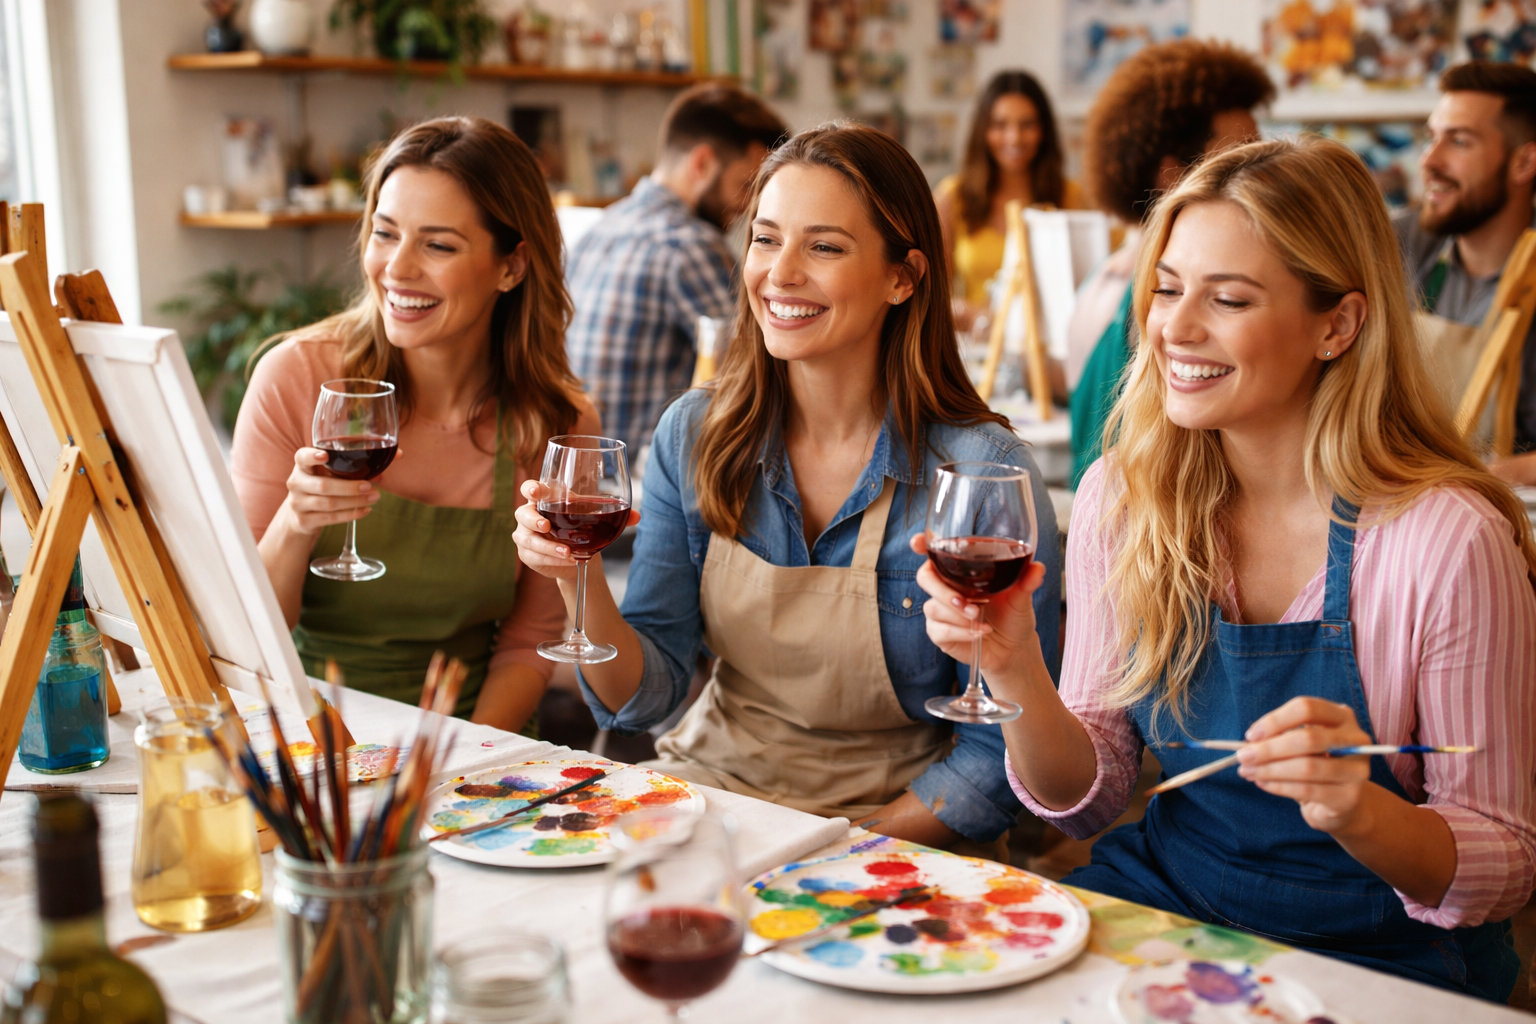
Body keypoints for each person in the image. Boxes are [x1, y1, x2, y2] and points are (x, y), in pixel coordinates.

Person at [919, 137, 1536, 998]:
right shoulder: (1127, 498)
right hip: (1171, 905)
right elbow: (1088, 795)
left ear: (1339, 324)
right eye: (1168, 289)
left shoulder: (1447, 540)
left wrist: (1367, 812)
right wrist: (1013, 662)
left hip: (1380, 953)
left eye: (1229, 299)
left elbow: (1507, 861)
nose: (1175, 326)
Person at [516, 124, 1063, 852]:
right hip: (711, 800)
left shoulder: (981, 472)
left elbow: (1000, 753)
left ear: (903, 278)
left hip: (898, 830)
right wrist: (576, 581)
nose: (780, 273)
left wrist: (851, 842)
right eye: (765, 239)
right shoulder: (697, 433)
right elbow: (646, 700)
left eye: (825, 247)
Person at [231, 117, 599, 732]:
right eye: (385, 233)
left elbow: (529, 640)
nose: (396, 269)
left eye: (438, 245)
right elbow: (247, 630)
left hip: (478, 739)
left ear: (511, 267)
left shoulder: (554, 421)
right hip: (312, 736)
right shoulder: (295, 379)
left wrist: (465, 768)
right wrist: (296, 525)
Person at [1065, 39, 1273, 487]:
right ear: (1174, 176)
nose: (1265, 177)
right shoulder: (1121, 300)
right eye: (1239, 159)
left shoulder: (1101, 281)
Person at [565, 84, 788, 455]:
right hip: (649, 486)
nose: (749, 206)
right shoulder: (690, 245)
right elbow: (763, 374)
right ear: (702, 164)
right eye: (746, 185)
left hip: (586, 479)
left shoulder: (598, 228)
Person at [1393, 61, 1536, 486]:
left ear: (1524, 162)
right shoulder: (1400, 245)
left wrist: (1496, 475)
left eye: (1458, 141)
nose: (1429, 161)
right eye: (1430, 138)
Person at [933, 71, 1087, 333]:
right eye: (1000, 125)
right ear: (983, 130)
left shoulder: (1071, 197)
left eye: (1027, 125)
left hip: (1048, 352)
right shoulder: (952, 197)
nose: (1014, 138)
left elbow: (1085, 291)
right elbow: (931, 298)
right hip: (976, 352)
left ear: (1043, 131)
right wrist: (964, 312)